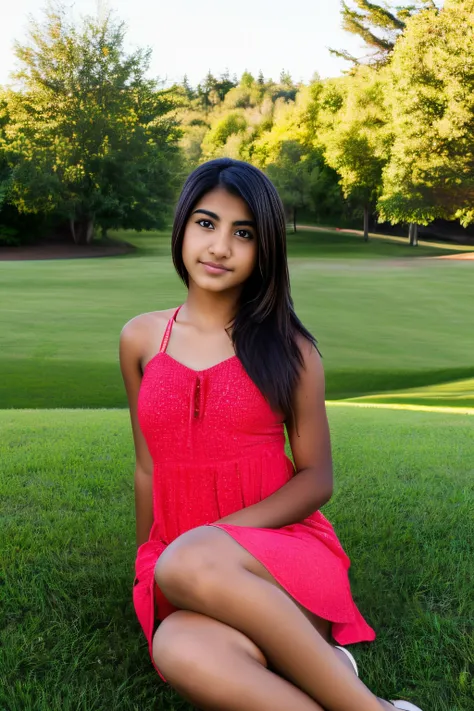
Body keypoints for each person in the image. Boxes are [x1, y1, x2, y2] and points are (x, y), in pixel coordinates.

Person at [119, 158, 423, 711]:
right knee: (179, 649)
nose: (219, 247)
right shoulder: (141, 339)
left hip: (280, 557)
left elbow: (317, 478)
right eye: (207, 224)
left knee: (194, 560)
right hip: (180, 564)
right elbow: (147, 467)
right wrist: (149, 557)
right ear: (182, 226)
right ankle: (325, 668)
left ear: (265, 251)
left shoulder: (291, 350)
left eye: (243, 233)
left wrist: (212, 540)